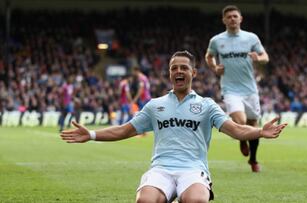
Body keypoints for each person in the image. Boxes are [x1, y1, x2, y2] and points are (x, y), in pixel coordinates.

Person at [60, 50, 286, 203]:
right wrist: (90, 134)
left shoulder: (207, 105)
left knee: (196, 200)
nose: (179, 71)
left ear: (193, 73)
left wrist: (260, 132)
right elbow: (124, 130)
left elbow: (236, 130)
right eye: (174, 68)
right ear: (169, 73)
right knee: (144, 201)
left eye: (184, 68)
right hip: (161, 169)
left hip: (193, 170)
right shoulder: (155, 105)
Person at [205, 5, 270, 172]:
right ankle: (242, 139)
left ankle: (253, 159)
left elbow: (265, 57)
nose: (232, 19)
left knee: (254, 124)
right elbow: (209, 56)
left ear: (240, 19)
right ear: (224, 20)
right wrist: (214, 67)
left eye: (235, 16)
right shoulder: (217, 40)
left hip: (250, 89)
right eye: (229, 17)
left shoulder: (251, 38)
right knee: (240, 121)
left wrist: (259, 58)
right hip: (230, 89)